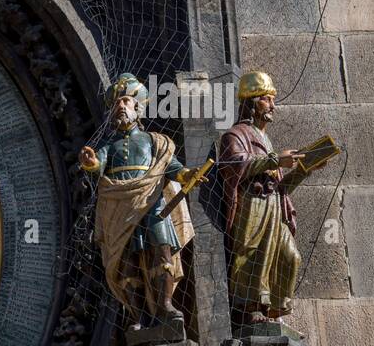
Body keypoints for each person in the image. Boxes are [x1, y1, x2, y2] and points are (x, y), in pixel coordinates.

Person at [80, 73, 204, 326]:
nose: (121, 107)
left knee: (162, 252)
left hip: (153, 205)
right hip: (119, 207)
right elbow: (98, 165)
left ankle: (165, 305)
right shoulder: (108, 144)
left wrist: (188, 174)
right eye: (117, 103)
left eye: (126, 102)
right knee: (126, 261)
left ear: (138, 106)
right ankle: (138, 315)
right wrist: (91, 163)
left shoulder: (154, 141)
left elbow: (173, 167)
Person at [218, 70, 305, 324]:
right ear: (252, 102)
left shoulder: (265, 139)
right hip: (252, 206)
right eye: (267, 99)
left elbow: (280, 186)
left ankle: (275, 309)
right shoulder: (235, 135)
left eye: (272, 99)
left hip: (273, 207)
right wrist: (275, 159)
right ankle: (249, 309)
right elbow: (234, 164)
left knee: (290, 256)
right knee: (252, 255)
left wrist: (304, 169)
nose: (273, 106)